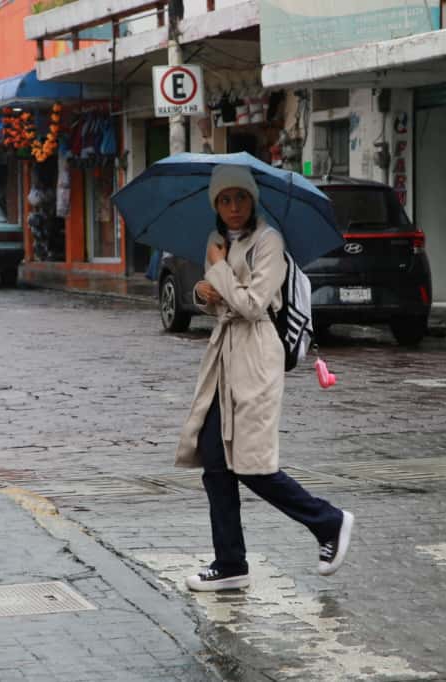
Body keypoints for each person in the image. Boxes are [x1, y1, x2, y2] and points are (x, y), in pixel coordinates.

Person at [176, 164, 354, 592]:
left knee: (252, 464)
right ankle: (230, 562)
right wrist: (203, 294)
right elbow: (221, 304)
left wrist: (218, 273)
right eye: (224, 199)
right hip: (222, 358)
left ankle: (329, 521)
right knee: (215, 463)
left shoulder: (269, 241)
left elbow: (254, 305)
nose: (233, 206)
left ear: (253, 200)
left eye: (240, 197)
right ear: (215, 205)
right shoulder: (215, 242)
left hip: (256, 358)